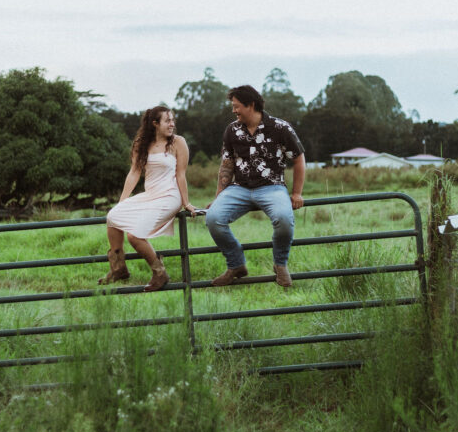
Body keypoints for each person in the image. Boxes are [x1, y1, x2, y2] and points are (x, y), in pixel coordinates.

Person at [206, 85, 305, 288]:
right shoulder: (232, 130)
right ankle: (236, 265)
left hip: (272, 186)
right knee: (213, 218)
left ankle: (280, 265)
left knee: (285, 219)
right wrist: (219, 196)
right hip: (238, 188)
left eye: (237, 106)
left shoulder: (280, 128)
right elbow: (227, 164)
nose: (234, 110)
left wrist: (296, 193)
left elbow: (299, 159)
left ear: (251, 105)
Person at [99, 106, 197, 291]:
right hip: (150, 194)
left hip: (169, 195)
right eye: (167, 121)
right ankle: (118, 268)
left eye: (173, 120)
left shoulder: (178, 142)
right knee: (113, 216)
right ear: (155, 124)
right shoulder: (141, 144)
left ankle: (160, 272)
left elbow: (181, 175)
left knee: (135, 235)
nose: (172, 124)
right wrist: (123, 202)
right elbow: (134, 172)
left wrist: (186, 202)